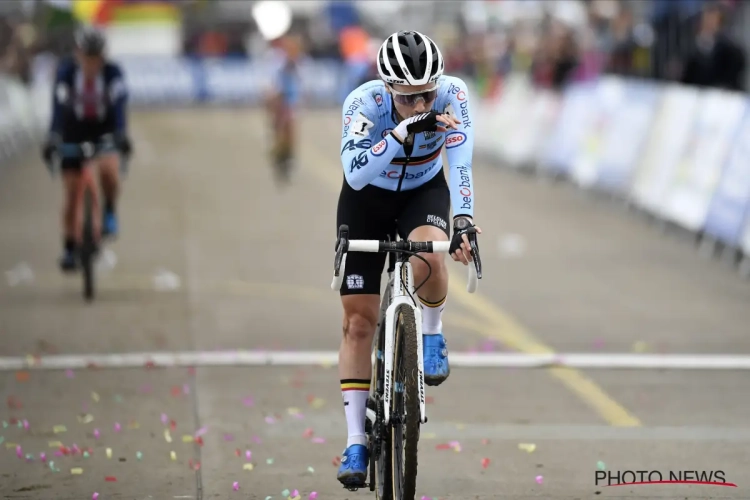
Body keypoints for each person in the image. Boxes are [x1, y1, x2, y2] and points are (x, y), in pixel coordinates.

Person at [335, 30, 481, 486]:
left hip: (423, 191)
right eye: (407, 98)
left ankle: (432, 334)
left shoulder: (454, 95)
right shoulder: (364, 104)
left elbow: (460, 163)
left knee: (433, 258)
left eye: (427, 95)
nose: (420, 105)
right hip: (367, 199)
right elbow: (355, 174)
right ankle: (356, 440)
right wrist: (401, 133)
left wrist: (464, 220)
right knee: (358, 324)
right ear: (387, 88)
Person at [41, 25, 131, 271]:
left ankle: (109, 209)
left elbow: (119, 107)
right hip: (74, 129)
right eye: (87, 57)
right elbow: (58, 108)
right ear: (78, 54)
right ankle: (69, 246)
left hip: (103, 129)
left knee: (109, 170)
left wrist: (122, 135)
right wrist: (53, 137)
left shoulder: (113, 73)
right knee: (71, 191)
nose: (92, 63)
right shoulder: (67, 72)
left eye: (96, 58)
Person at [264, 33, 303, 185]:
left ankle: (287, 155)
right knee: (278, 127)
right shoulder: (278, 61)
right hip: (280, 99)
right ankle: (279, 154)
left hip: (291, 101)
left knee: (290, 129)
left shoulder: (298, 62)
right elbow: (273, 83)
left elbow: (300, 83)